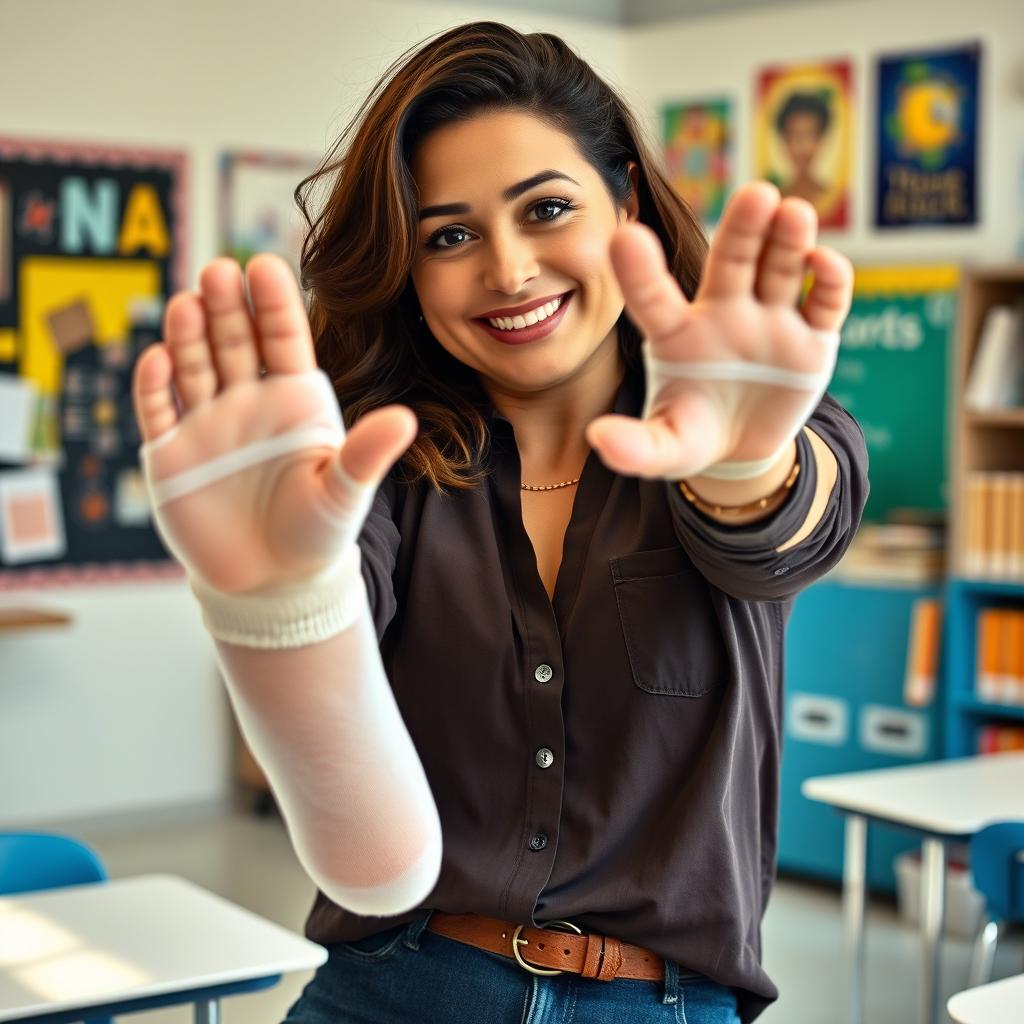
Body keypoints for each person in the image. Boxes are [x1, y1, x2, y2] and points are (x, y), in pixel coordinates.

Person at [131, 21, 869, 1024]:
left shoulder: (764, 419)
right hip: (391, 982)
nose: (510, 269)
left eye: (547, 208)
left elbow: (788, 522)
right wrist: (275, 605)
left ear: (627, 202)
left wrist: (743, 460)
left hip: (652, 1005)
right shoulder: (373, 461)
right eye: (449, 235)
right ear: (408, 266)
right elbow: (368, 856)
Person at [772, 90, 832, 208]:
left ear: (821, 139)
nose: (803, 147)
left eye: (810, 135)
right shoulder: (775, 197)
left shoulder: (829, 193)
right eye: (796, 136)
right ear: (785, 141)